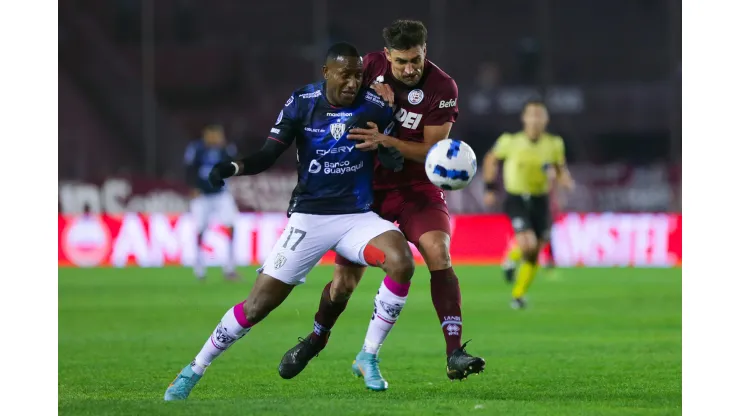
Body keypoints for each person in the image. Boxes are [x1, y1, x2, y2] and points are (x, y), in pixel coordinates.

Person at [163, 42, 413, 401]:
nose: (353, 83)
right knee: (256, 306)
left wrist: (388, 149)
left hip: (357, 216)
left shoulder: (375, 106)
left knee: (401, 262)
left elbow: (391, 162)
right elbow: (268, 153)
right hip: (309, 218)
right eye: (345, 75)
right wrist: (234, 168)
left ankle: (368, 355)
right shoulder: (302, 102)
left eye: (359, 76)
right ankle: (193, 369)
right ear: (327, 72)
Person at [278, 20, 485, 389]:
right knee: (343, 284)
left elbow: (433, 153)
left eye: (416, 60)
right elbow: (335, 99)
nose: (410, 69)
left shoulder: (443, 87)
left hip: (416, 189)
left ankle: (454, 353)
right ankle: (316, 338)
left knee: (439, 250)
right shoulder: (367, 67)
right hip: (365, 190)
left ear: (426, 51)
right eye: (402, 61)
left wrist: (387, 142)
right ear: (386, 55)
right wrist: (370, 94)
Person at [482, 100, 574, 309]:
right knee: (529, 244)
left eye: (539, 115)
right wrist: (489, 187)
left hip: (541, 200)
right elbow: (490, 159)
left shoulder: (554, 143)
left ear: (545, 119)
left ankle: (518, 294)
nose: (535, 119)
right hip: (516, 198)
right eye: (531, 114)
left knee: (535, 251)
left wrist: (565, 181)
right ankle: (512, 261)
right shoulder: (509, 141)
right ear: (524, 118)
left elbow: (559, 168)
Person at [183, 124, 240, 280]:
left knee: (231, 226)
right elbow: (188, 169)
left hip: (221, 194)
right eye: (212, 134)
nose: (214, 138)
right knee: (200, 229)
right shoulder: (196, 149)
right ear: (205, 135)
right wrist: (192, 187)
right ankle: (199, 267)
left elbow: (234, 166)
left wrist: (227, 151)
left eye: (217, 135)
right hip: (202, 196)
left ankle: (229, 266)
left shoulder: (226, 149)